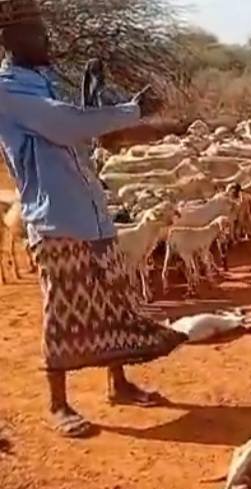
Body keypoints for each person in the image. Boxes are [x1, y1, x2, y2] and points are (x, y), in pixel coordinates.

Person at [0, 0, 186, 438]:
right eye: (37, 34)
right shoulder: (8, 91)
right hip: (56, 218)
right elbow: (65, 125)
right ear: (11, 41)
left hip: (92, 214)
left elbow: (78, 133)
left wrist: (111, 124)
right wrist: (131, 112)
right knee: (63, 309)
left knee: (114, 300)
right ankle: (58, 404)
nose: (47, 40)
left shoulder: (41, 83)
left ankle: (118, 383)